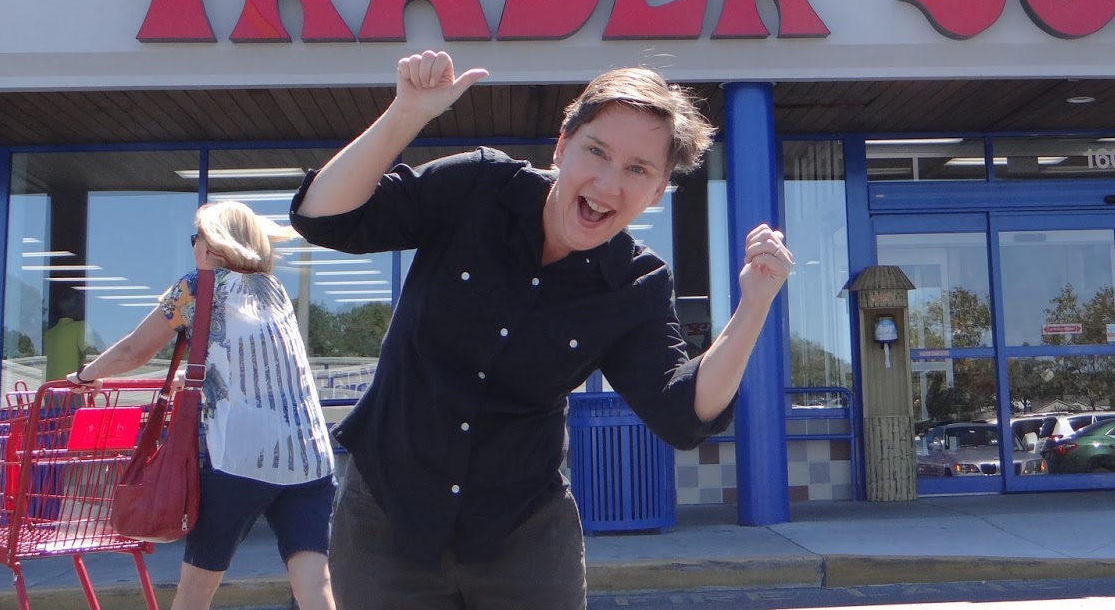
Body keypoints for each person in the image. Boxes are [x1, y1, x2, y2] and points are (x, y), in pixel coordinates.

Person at [290, 50, 794, 610]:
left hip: (522, 536)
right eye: (596, 151)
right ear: (562, 146)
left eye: (638, 170)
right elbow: (323, 217)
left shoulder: (635, 283)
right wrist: (406, 114)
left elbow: (683, 411)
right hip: (387, 520)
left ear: (657, 191)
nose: (608, 183)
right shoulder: (478, 186)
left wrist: (753, 307)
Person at [68, 201, 336, 610]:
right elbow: (249, 361)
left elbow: (133, 351)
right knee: (315, 586)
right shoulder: (273, 290)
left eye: (196, 238)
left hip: (242, 459)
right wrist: (192, 378)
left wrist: (85, 375)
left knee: (196, 588)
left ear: (212, 246)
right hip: (309, 458)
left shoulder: (197, 286)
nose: (193, 246)